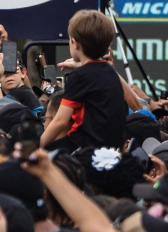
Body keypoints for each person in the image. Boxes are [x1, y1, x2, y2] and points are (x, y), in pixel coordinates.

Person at [42, 9, 128, 152]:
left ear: (75, 43)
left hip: (83, 148)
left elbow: (60, 121)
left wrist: (36, 146)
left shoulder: (80, 76)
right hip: (112, 150)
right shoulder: (111, 72)